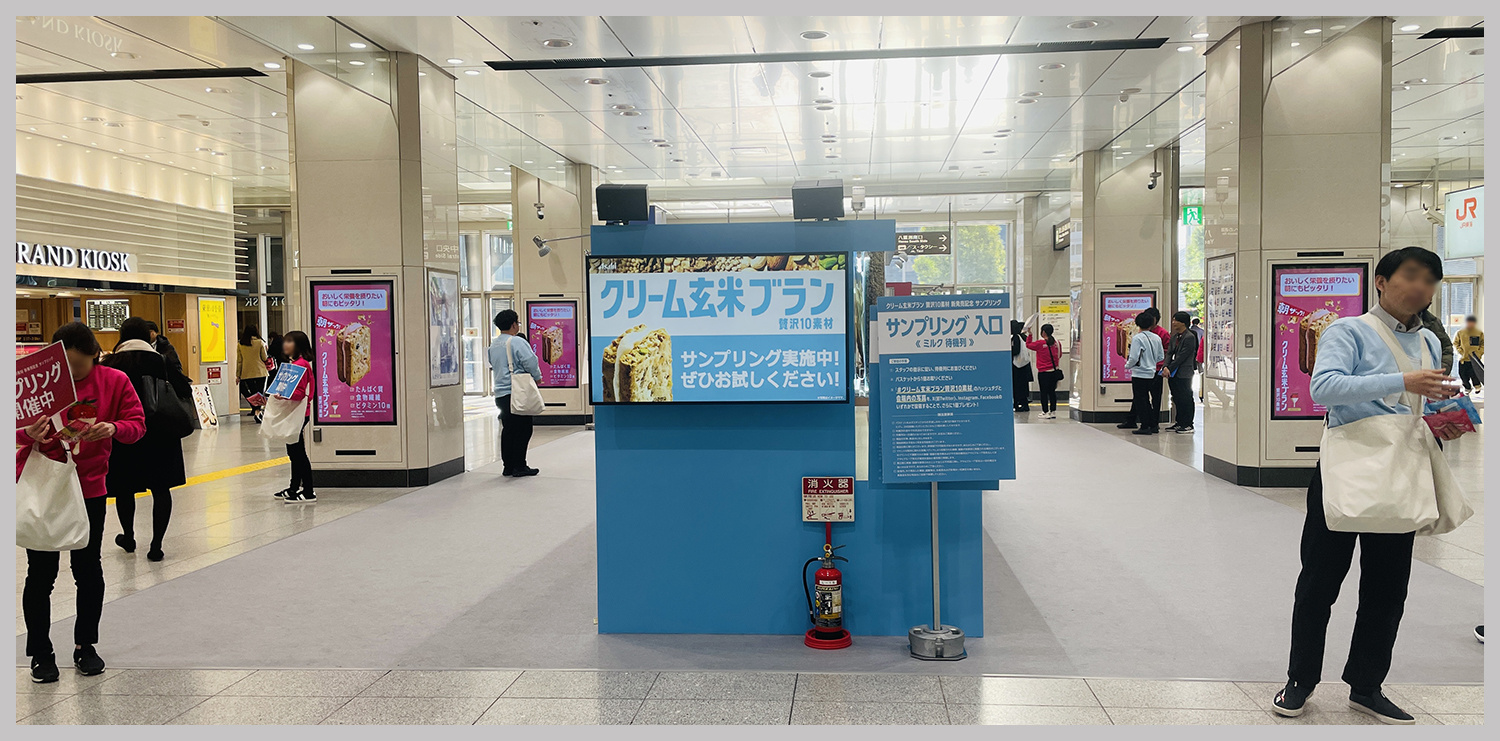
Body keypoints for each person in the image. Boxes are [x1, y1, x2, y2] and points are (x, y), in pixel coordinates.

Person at [1273, 246, 1465, 725]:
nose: (1421, 287)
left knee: (1387, 586)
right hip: (1347, 468)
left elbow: (1418, 402)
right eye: (1412, 275)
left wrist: (1444, 418)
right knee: (1320, 580)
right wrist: (1400, 379)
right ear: (1381, 281)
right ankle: (1300, 679)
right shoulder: (1349, 329)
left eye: (1431, 280)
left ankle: (1366, 684)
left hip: (1400, 470)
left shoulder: (1429, 342)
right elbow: (1324, 388)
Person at [18, 322, 146, 683]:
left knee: (87, 569)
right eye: (64, 365)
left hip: (89, 487)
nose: (71, 373)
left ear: (95, 355)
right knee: (40, 573)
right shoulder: (38, 383)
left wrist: (113, 428)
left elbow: (137, 424)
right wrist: (26, 434)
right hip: (44, 486)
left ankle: (85, 645)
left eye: (78, 365)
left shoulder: (115, 382)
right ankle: (41, 653)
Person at [101, 318, 192, 562]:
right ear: (147, 336)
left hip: (123, 434)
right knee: (161, 489)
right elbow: (185, 389)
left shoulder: (110, 363)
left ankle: (129, 536)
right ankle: (156, 545)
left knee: (124, 488)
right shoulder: (160, 360)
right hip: (161, 434)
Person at [488, 310, 542, 477]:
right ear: (513, 324)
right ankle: (520, 465)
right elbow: (530, 361)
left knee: (508, 429)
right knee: (523, 429)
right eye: (517, 323)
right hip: (516, 392)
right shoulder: (516, 341)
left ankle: (508, 466)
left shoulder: (493, 345)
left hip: (500, 393)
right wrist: (538, 377)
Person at [273, 331, 317, 503]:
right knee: (293, 452)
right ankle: (293, 488)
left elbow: (300, 393)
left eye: (289, 341)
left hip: (298, 414)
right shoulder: (296, 364)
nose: (285, 344)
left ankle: (308, 491)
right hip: (294, 413)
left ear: (299, 345)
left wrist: (282, 394)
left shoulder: (301, 365)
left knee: (298, 453)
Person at [1118, 311, 1164, 435]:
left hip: (1139, 374)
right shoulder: (1157, 337)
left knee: (1141, 400)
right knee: (1148, 400)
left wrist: (1128, 366)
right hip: (1153, 372)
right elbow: (1161, 356)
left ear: (1138, 323)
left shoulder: (1137, 338)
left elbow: (1133, 357)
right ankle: (1153, 424)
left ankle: (1145, 426)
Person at [1163, 311, 1199, 434]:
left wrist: (1170, 368)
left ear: (1183, 323)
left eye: (1175, 320)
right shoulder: (1174, 336)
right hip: (1173, 373)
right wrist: (1165, 366)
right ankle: (1179, 422)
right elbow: (1169, 353)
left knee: (1185, 397)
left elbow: (1182, 356)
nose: (1173, 323)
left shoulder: (1189, 337)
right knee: (1176, 397)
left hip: (1184, 372)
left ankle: (1188, 424)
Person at [1026, 323, 1064, 419]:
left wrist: (1030, 334)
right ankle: (1053, 411)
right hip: (1054, 371)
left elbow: (1028, 345)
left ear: (1043, 332)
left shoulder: (1040, 343)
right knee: (1052, 392)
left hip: (1043, 372)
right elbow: (1060, 355)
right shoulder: (1057, 343)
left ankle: (1045, 411)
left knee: (1043, 392)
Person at [1142, 307, 1171, 425]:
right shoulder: (1141, 333)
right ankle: (1141, 419)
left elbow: (1168, 351)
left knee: (1156, 397)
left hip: (1157, 369)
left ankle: (1154, 422)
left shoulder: (1162, 333)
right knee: (1141, 397)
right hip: (1143, 369)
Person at [236, 325, 270, 423]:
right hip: (260, 372)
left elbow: (239, 361)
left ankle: (257, 411)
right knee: (259, 393)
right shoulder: (260, 342)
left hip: (246, 373)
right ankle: (257, 412)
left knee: (253, 394)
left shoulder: (240, 344)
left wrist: (238, 375)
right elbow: (264, 358)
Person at [1454, 315, 1483, 394]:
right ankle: (1467, 387)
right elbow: (1456, 343)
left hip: (1474, 358)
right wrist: (1460, 351)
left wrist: (1479, 353)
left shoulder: (1479, 333)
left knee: (1475, 374)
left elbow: (1483, 344)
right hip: (1463, 358)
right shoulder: (1460, 332)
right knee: (1462, 374)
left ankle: (1477, 386)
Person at [1010, 320, 1033, 413]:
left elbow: (1015, 351)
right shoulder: (1023, 336)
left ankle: (1017, 404)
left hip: (1017, 366)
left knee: (1016, 386)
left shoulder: (1015, 338)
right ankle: (1024, 404)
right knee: (1023, 386)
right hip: (1024, 365)